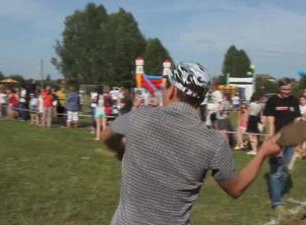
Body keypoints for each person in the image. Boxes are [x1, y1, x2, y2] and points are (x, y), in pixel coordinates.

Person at [102, 62, 283, 225]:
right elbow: (235, 188)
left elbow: (106, 135)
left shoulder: (140, 117)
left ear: (172, 90)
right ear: (201, 99)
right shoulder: (213, 142)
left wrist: (121, 151)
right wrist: (263, 152)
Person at [263, 77, 301, 210]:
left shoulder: (294, 100)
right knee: (275, 171)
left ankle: (278, 194)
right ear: (279, 88)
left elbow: (297, 120)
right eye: (284, 89)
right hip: (276, 141)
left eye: (289, 89)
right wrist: (273, 144)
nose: (287, 91)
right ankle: (276, 201)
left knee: (285, 170)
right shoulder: (272, 101)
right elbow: (270, 123)